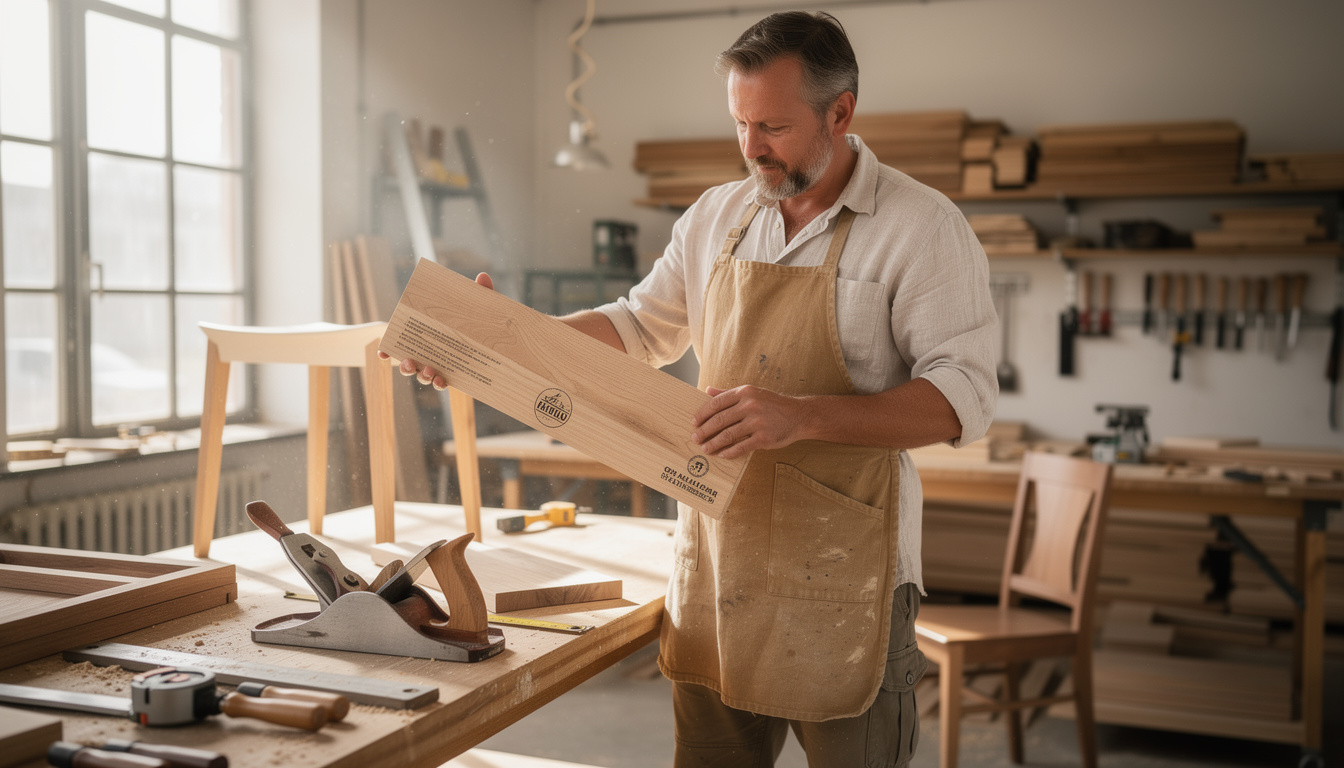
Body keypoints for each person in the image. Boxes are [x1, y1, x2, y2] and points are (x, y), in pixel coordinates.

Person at [393, 11, 997, 766]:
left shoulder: (920, 226)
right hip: (719, 565)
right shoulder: (719, 214)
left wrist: (800, 416)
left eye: (772, 126)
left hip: (848, 578)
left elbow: (961, 399)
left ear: (839, 112)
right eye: (740, 123)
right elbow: (638, 327)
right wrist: (507, 336)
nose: (752, 148)